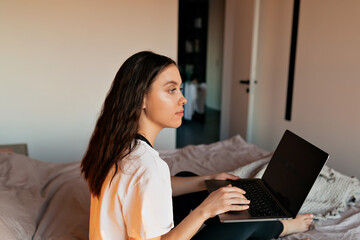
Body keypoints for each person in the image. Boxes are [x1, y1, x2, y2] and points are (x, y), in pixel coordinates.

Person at [81, 51, 313, 240]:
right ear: (141, 98)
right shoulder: (147, 166)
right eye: (172, 90)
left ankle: (260, 219)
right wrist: (206, 210)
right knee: (237, 225)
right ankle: (282, 227)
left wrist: (209, 181)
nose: (183, 99)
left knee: (190, 178)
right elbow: (149, 181)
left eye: (180, 89)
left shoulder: (118, 145)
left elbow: (149, 186)